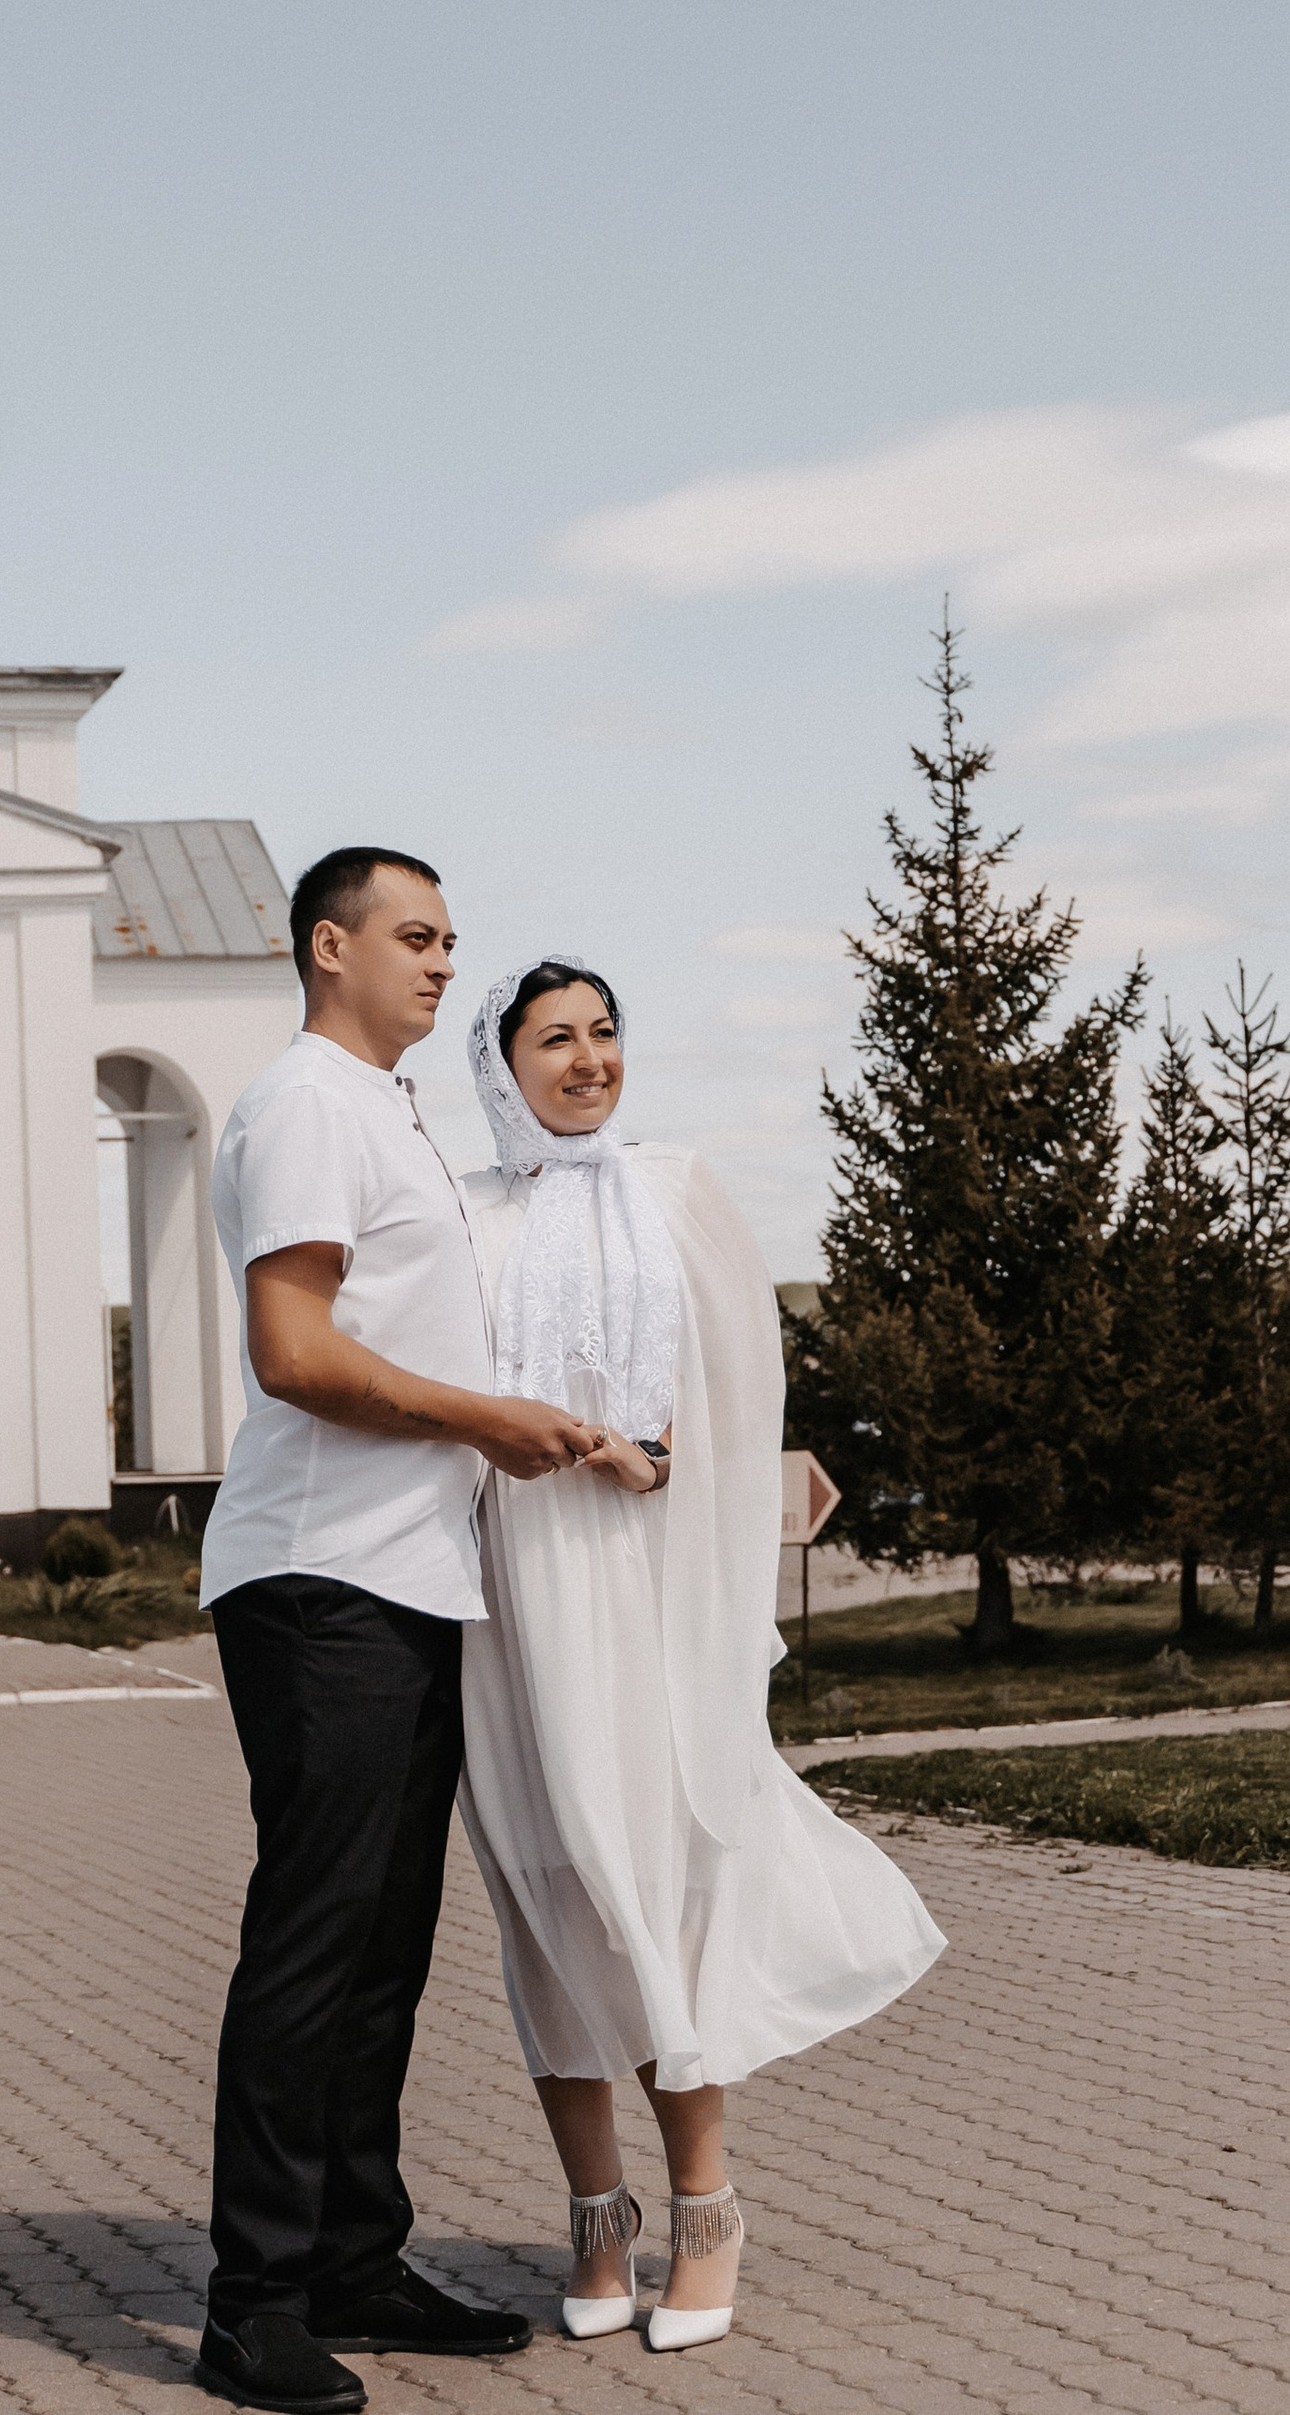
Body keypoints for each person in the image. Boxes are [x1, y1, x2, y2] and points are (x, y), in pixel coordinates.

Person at [453, 958, 945, 2353]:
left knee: (660, 1894)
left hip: (646, 1588)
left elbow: (740, 1401)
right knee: (546, 1903)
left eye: (605, 1032)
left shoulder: (675, 1193)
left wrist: (651, 1459)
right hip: (515, 1598)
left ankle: (706, 2209)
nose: (590, 1058)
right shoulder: (466, 1215)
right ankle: (595, 2215)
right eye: (555, 1038)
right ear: (503, 1066)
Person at [195, 849, 604, 2414]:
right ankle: (253, 2302)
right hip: (319, 1582)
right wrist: (485, 1420)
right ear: (328, 946)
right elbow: (293, 1353)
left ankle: (354, 2259)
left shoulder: (388, 1111)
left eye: (451, 941)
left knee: (382, 1952)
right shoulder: (303, 1098)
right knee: (313, 1945)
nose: (443, 964)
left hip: (411, 1581)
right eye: (415, 937)